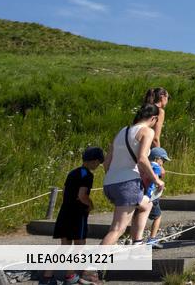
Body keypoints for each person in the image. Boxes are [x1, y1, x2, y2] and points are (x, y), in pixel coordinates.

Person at [100, 104, 163, 246]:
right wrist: (156, 180)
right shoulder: (147, 131)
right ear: (154, 118)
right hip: (128, 184)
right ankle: (91, 265)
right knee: (117, 229)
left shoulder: (122, 131)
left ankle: (137, 242)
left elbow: (106, 162)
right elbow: (142, 159)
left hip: (109, 183)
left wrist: (114, 178)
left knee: (146, 205)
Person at [43, 147, 105, 285]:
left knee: (64, 246)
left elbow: (65, 190)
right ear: (94, 161)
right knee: (79, 246)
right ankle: (70, 276)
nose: (98, 165)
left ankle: (47, 276)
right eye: (99, 162)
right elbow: (82, 195)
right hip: (77, 214)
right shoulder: (87, 175)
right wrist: (90, 204)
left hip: (65, 211)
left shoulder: (73, 172)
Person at [145, 147, 170, 246]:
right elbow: (155, 179)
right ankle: (152, 238)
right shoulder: (156, 167)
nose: (163, 163)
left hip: (142, 195)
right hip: (152, 197)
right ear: (157, 158)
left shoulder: (144, 165)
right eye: (163, 160)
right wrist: (160, 183)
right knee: (158, 216)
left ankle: (136, 239)